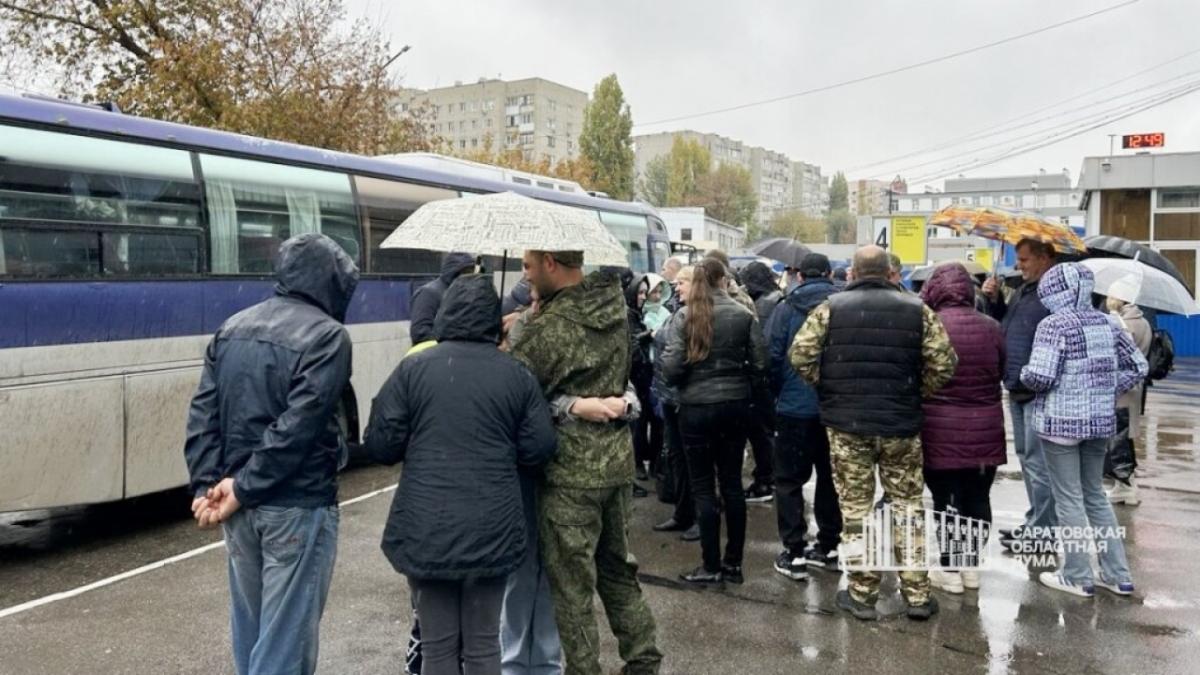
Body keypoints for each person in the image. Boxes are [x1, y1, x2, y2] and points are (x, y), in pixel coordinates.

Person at [363, 275, 558, 675]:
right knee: (485, 645)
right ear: (493, 318)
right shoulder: (516, 375)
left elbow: (381, 446)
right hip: (493, 525)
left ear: (445, 314)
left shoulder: (413, 369)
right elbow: (540, 448)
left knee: (437, 647)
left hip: (426, 526)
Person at [185, 233, 358, 675]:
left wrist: (210, 487)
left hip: (238, 506)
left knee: (252, 631)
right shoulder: (328, 336)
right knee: (285, 644)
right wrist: (242, 488)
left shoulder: (233, 327)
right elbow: (298, 429)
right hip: (295, 504)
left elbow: (204, 415)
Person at [510, 251, 662, 675]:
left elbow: (515, 390)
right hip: (616, 462)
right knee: (617, 568)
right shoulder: (613, 308)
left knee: (571, 587)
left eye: (528, 266)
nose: (525, 275)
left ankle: (583, 669)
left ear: (550, 264)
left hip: (568, 472)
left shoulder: (547, 328)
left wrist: (525, 323)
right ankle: (644, 658)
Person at [789, 245, 957, 621]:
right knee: (908, 507)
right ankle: (916, 594)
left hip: (848, 426)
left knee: (857, 510)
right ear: (888, 273)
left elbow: (800, 355)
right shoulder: (918, 310)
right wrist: (915, 391)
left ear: (852, 273)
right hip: (900, 424)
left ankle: (863, 592)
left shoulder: (830, 309)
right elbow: (945, 362)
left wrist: (829, 387)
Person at [1020, 263, 1148, 598]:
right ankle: (1117, 574)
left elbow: (1041, 378)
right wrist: (1104, 388)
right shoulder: (1108, 322)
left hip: (1060, 424)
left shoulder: (1053, 325)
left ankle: (1077, 574)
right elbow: (1138, 366)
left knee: (1068, 498)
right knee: (1094, 495)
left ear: (1054, 291)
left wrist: (1024, 374)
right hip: (1099, 422)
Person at [662, 259, 768, 585]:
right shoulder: (743, 315)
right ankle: (734, 563)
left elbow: (671, 368)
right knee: (732, 485)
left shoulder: (685, 316)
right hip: (735, 406)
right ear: (723, 279)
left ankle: (710, 565)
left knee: (703, 488)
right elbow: (760, 364)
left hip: (695, 408)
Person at [918, 263, 1006, 595]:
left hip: (939, 429)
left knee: (947, 499)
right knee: (979, 498)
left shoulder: (929, 327)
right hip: (986, 427)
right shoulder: (992, 327)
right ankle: (971, 567)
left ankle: (950, 568)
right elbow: (1003, 369)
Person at [767, 253, 841, 580]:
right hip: (834, 409)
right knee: (829, 478)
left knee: (788, 480)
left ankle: (794, 552)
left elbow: (770, 356)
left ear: (799, 274)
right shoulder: (844, 307)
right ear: (828, 273)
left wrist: (778, 392)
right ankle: (828, 545)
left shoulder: (785, 309)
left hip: (794, 409)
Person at [981, 239, 1058, 551]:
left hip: (1039, 389)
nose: (1019, 265)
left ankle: (1044, 532)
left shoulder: (1053, 293)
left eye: (1024, 259)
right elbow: (1007, 325)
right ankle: (1035, 521)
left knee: (1039, 465)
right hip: (1017, 385)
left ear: (1043, 258)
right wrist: (996, 299)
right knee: (1028, 460)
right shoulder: (1026, 290)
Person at [651, 266, 700, 542]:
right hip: (668, 396)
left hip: (683, 398)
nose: (677, 287)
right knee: (676, 457)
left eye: (682, 283)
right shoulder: (677, 312)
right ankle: (682, 513)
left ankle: (696, 518)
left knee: (693, 461)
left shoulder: (696, 316)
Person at [1106, 294, 1152, 506]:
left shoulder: (1122, 323)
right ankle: (1125, 484)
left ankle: (1125, 486)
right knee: (1126, 435)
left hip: (1121, 386)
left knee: (1119, 437)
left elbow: (1118, 354)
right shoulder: (1142, 321)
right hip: (1136, 387)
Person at [625, 274, 660, 484]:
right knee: (640, 421)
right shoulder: (629, 315)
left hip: (648, 376)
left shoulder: (638, 313)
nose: (643, 296)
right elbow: (632, 346)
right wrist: (648, 335)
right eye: (640, 292)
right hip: (638, 376)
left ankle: (652, 464)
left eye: (645, 293)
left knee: (653, 420)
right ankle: (639, 464)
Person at [410, 251, 476, 345]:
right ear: (455, 272)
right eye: (467, 271)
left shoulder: (465, 293)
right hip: (434, 355)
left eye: (471, 271)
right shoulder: (428, 293)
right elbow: (420, 333)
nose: (470, 276)